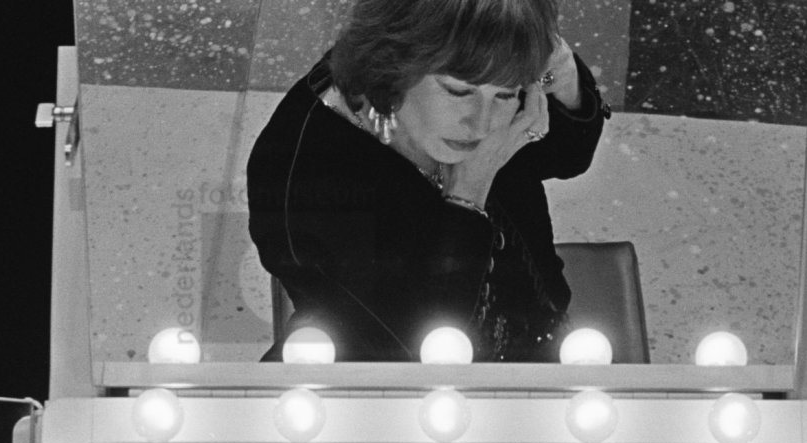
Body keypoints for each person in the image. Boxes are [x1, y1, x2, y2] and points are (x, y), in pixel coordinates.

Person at [248, 0, 609, 362]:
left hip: (543, 362)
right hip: (387, 387)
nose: (481, 125)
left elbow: (566, 154)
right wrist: (468, 193)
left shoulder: (487, 64)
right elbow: (409, 347)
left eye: (505, 94)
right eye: (458, 92)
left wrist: (563, 80)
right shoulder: (305, 173)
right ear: (391, 66)